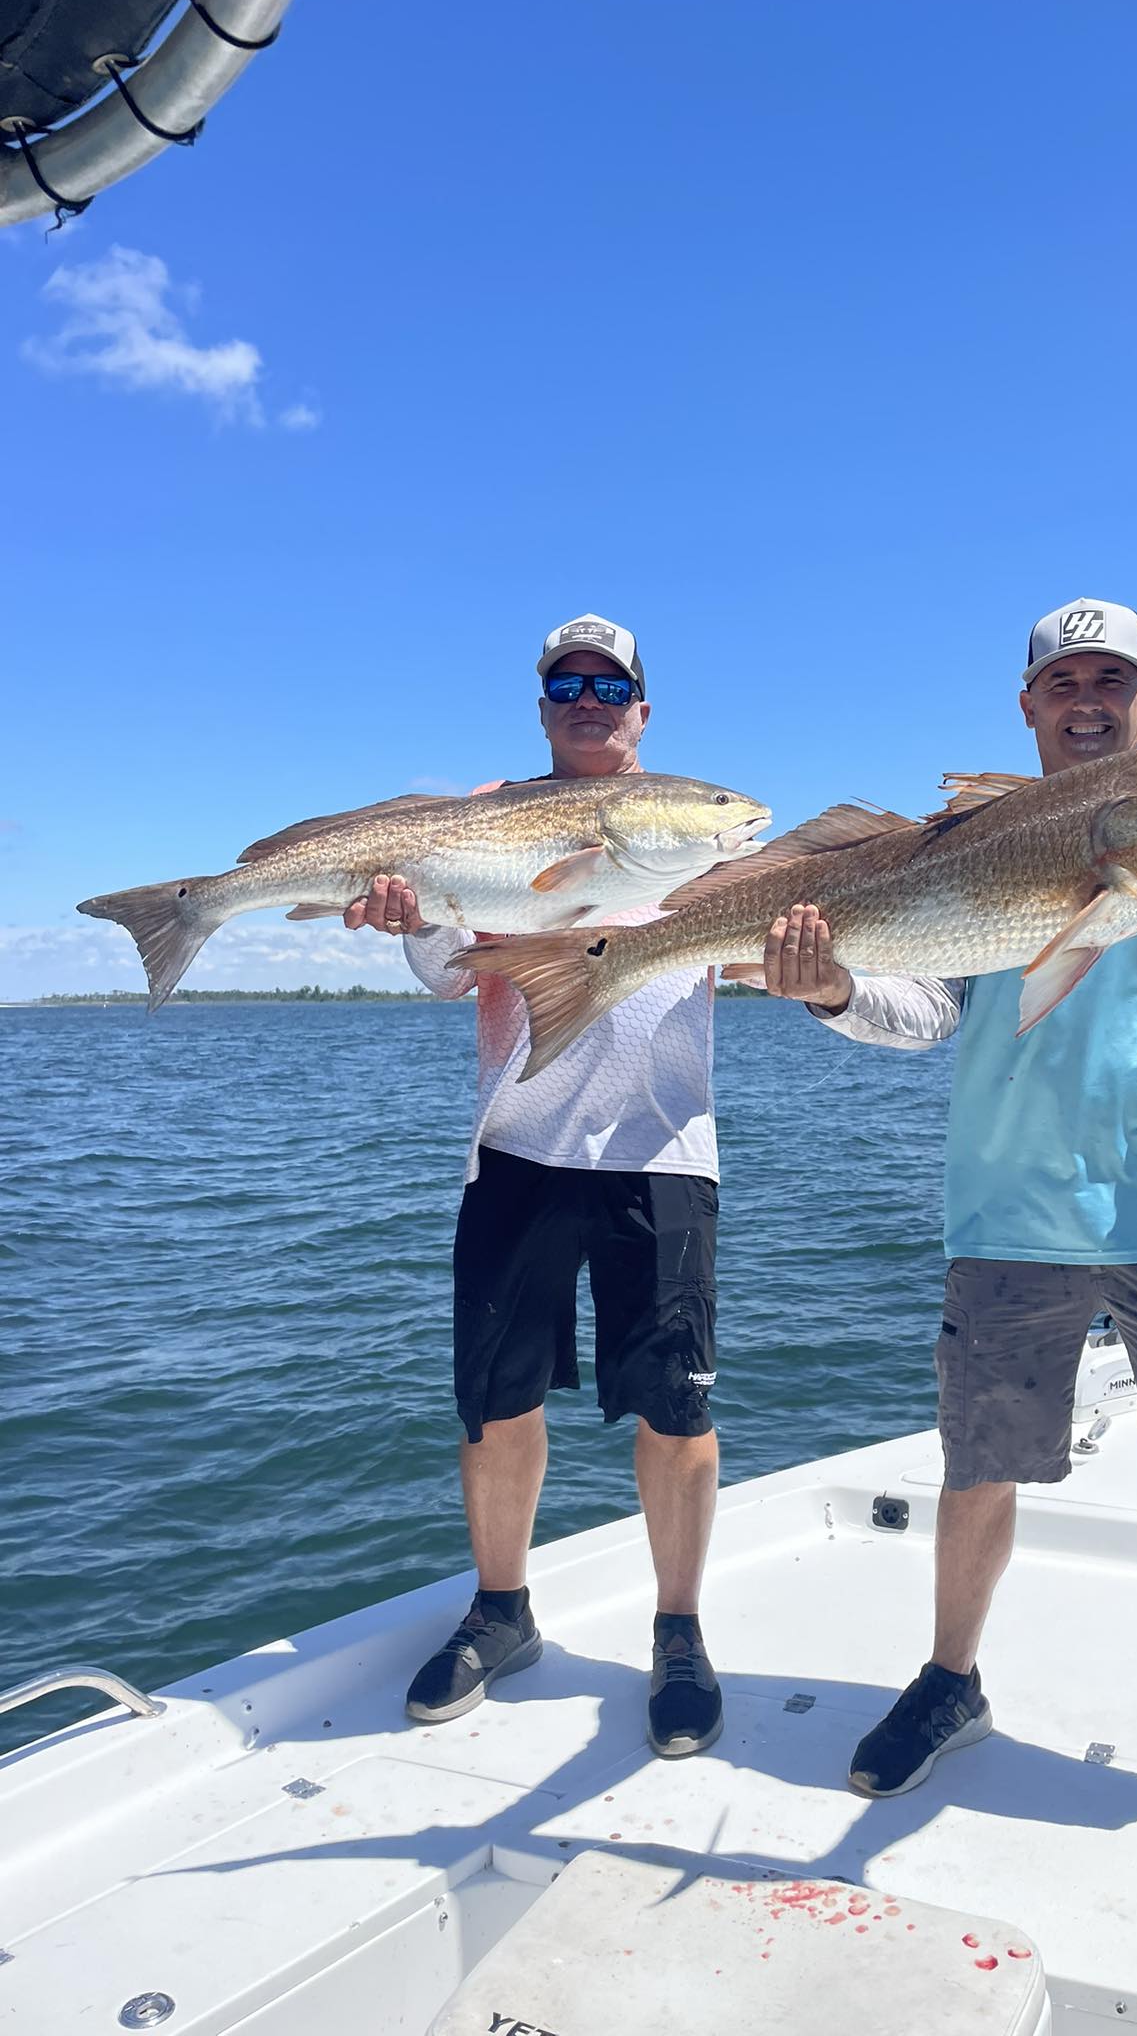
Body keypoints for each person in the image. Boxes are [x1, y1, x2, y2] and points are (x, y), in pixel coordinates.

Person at [761, 597, 1137, 1889]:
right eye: (1064, 681)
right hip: (1007, 1214)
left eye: (1115, 681)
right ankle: (951, 1681)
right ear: (1028, 706)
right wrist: (826, 987)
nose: (1089, 698)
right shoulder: (975, 845)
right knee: (979, 1467)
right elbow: (920, 1014)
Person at [346, 614, 723, 1756]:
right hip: (516, 1144)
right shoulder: (483, 817)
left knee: (677, 1406)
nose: (589, 695)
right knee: (498, 1400)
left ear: (644, 711)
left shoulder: (705, 841)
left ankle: (680, 1630)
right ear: (543, 703)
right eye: (567, 679)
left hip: (661, 1153)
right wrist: (416, 921)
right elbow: (439, 973)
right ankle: (501, 1611)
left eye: (613, 681)